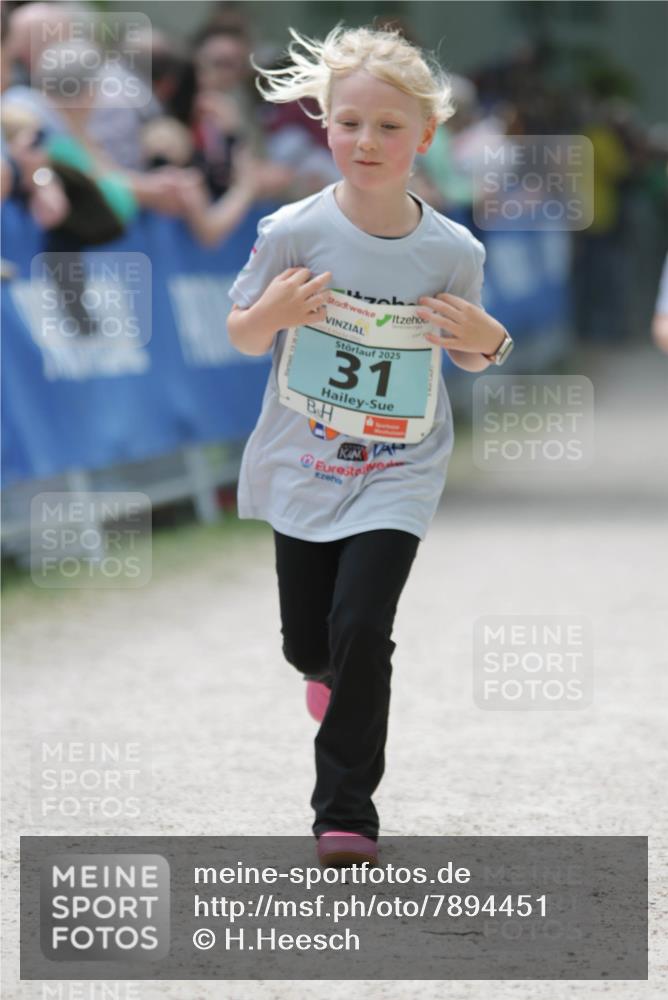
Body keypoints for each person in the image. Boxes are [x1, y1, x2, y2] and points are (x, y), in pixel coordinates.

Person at [226, 25, 512, 868]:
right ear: (324, 124)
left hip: (399, 467)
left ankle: (345, 813)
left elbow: (471, 350)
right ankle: (324, 672)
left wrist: (491, 341)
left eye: (390, 127)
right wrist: (273, 314)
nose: (367, 141)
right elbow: (243, 333)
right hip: (302, 460)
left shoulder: (452, 250)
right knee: (308, 643)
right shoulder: (292, 230)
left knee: (362, 624)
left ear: (426, 135)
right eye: (350, 123)